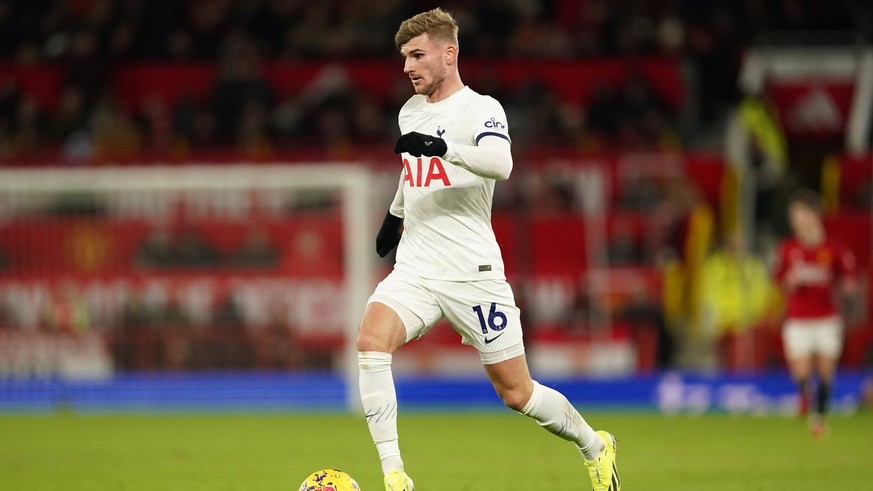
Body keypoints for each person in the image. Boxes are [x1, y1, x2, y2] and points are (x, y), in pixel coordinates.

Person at [356, 8, 620, 491]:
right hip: (416, 267)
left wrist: (443, 149)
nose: (407, 67)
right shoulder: (410, 110)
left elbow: (501, 163)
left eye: (417, 54)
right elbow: (413, 169)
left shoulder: (482, 109)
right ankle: (394, 475)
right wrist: (394, 216)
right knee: (372, 342)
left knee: (517, 393)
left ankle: (594, 445)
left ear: (448, 52)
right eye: (403, 58)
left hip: (472, 271)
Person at [773, 189, 857, 437]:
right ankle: (804, 394)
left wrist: (847, 288)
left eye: (799, 214)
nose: (795, 220)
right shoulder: (788, 248)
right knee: (801, 369)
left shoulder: (834, 248)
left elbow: (849, 279)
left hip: (826, 317)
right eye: (793, 215)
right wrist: (788, 282)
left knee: (825, 369)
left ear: (812, 215)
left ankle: (819, 419)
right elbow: (779, 279)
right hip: (798, 318)